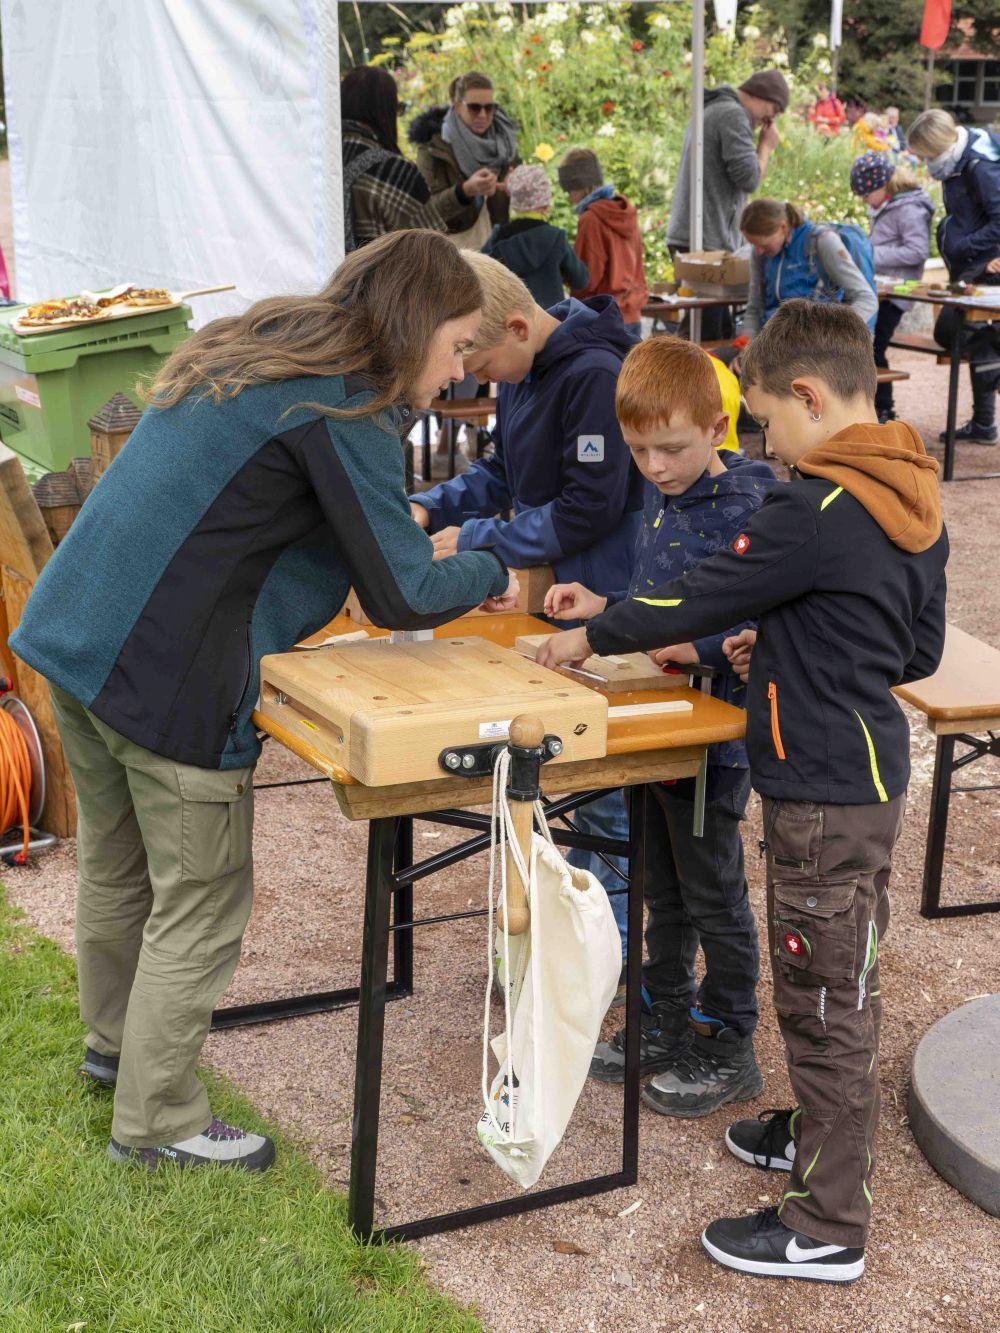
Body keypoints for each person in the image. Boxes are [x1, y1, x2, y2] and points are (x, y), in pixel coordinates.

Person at [9, 231, 518, 1173]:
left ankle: (116, 1049)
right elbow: (403, 594)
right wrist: (496, 566)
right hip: (168, 671)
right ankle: (156, 1119)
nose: (455, 373)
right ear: (413, 327)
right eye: (454, 346)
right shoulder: (344, 404)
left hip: (76, 634)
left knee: (121, 872)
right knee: (202, 897)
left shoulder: (271, 342)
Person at [536, 298, 948, 1284]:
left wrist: (594, 633)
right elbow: (913, 646)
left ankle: (825, 1224)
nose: (767, 439)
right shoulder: (912, 494)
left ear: (807, 395)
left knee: (821, 999)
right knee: (841, 971)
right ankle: (809, 1132)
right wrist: (803, 636)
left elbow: (701, 594)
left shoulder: (816, 505)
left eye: (767, 417)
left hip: (816, 784)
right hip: (865, 773)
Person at [546, 337, 773, 1113]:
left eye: (671, 448)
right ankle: (666, 1012)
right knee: (660, 885)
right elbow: (660, 602)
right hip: (652, 731)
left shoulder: (748, 506)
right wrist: (605, 609)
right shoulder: (664, 495)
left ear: (718, 428)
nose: (655, 466)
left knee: (713, 888)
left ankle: (727, 1035)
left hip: (711, 743)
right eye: (639, 450)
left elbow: (753, 619)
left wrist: (701, 643)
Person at [408, 251, 644, 969]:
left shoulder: (595, 376)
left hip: (612, 593)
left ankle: (610, 951)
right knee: (571, 773)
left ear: (515, 325)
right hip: (560, 598)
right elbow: (501, 472)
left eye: (474, 358)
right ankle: (580, 924)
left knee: (603, 787)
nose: (470, 376)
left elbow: (588, 507)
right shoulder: (525, 371)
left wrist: (478, 537)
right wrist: (431, 503)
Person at [666, 70, 788, 339]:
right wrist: (765, 147)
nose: (770, 120)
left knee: (712, 328)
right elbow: (748, 177)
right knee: (705, 334)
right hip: (707, 236)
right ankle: (674, 379)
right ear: (760, 97)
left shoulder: (713, 109)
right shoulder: (733, 115)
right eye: (774, 110)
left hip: (694, 231)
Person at [907, 107, 1000, 444]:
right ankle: (985, 423)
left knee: (954, 330)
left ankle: (987, 414)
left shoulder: (979, 165)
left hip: (985, 265)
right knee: (971, 337)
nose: (923, 161)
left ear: (937, 145)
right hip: (972, 264)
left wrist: (964, 245)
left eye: (924, 153)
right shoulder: (954, 162)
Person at [850, 153, 933, 422]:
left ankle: (883, 408)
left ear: (883, 185)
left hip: (897, 294)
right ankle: (873, 406)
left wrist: (869, 254)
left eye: (865, 194)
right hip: (880, 287)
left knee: (874, 346)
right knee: (867, 345)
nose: (863, 200)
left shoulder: (909, 208)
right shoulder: (885, 205)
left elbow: (917, 251)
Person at [737, 199, 878, 343]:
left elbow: (867, 299)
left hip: (814, 347)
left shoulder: (821, 241)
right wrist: (747, 344)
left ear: (783, 227)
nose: (759, 252)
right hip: (773, 344)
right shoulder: (760, 254)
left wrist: (832, 334)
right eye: (754, 245)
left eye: (764, 245)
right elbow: (755, 306)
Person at [340, 66, 447, 251]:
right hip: (380, 279)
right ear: (386, 111)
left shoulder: (314, 163)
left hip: (319, 279)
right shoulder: (394, 171)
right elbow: (437, 250)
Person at [408, 71, 519, 249]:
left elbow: (522, 198)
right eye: (474, 107)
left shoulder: (505, 140)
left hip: (498, 244)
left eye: (489, 107)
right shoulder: (433, 146)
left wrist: (517, 185)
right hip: (453, 248)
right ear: (458, 106)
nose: (483, 115)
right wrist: (464, 191)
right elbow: (423, 214)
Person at [557, 148, 648, 337]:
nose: (568, 196)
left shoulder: (591, 219)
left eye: (570, 190)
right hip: (632, 314)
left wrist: (565, 272)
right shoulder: (626, 212)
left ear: (580, 186)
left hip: (603, 316)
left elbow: (587, 279)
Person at [480, 163, 589, 309]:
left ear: (513, 201)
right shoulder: (555, 237)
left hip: (514, 324)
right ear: (545, 203)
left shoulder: (499, 236)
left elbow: (480, 273)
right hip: (551, 321)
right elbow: (580, 280)